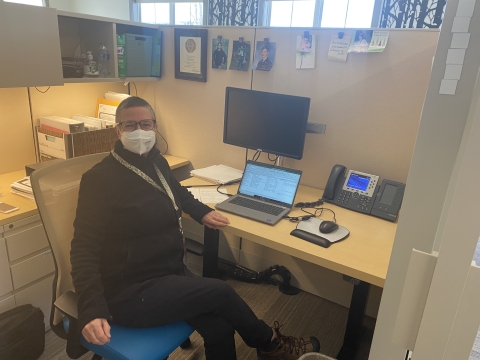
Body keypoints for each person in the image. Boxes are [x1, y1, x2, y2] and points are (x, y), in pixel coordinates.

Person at [70, 96, 320, 360]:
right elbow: (83, 248)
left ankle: (268, 347)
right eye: (130, 125)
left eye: (146, 124)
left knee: (220, 327)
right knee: (221, 291)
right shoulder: (99, 179)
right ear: (118, 130)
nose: (140, 131)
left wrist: (202, 212)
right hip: (129, 291)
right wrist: (91, 307)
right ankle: (269, 345)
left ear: (155, 127)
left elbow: (175, 191)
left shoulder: (156, 162)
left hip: (166, 272)